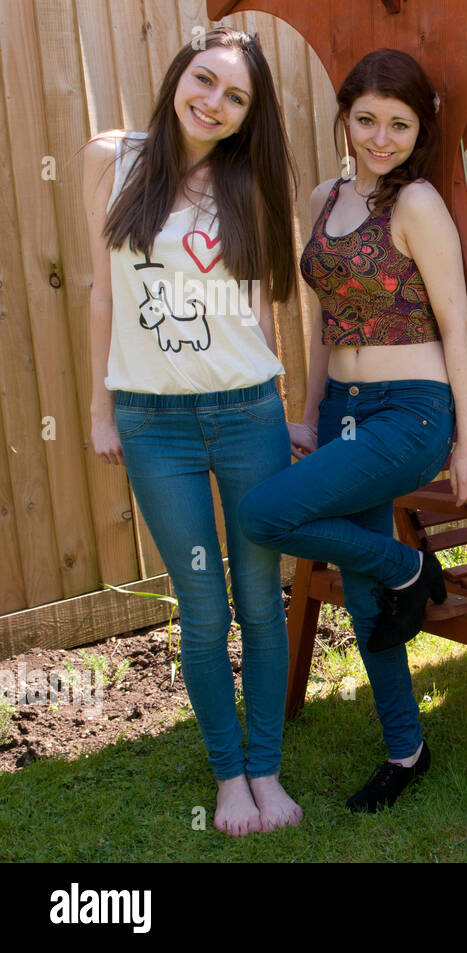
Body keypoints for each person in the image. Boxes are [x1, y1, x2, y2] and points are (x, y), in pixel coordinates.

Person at [237, 49, 467, 810]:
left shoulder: (417, 206)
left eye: (400, 124)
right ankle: (407, 748)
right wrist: (311, 412)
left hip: (409, 413)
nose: (382, 137)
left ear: (421, 130)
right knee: (372, 591)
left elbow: (459, 326)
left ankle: (410, 568)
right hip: (343, 409)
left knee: (262, 513)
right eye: (368, 119)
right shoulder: (321, 198)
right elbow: (323, 317)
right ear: (344, 116)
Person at [83, 27, 301, 836]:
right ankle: (229, 774)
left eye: (235, 96)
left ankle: (268, 767)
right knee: (203, 608)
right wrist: (102, 407)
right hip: (153, 425)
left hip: (249, 414)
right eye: (204, 80)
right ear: (179, 75)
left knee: (261, 602)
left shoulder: (250, 182)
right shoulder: (112, 158)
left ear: (249, 115)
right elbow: (102, 292)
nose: (213, 102)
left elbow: (265, 302)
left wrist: (284, 398)